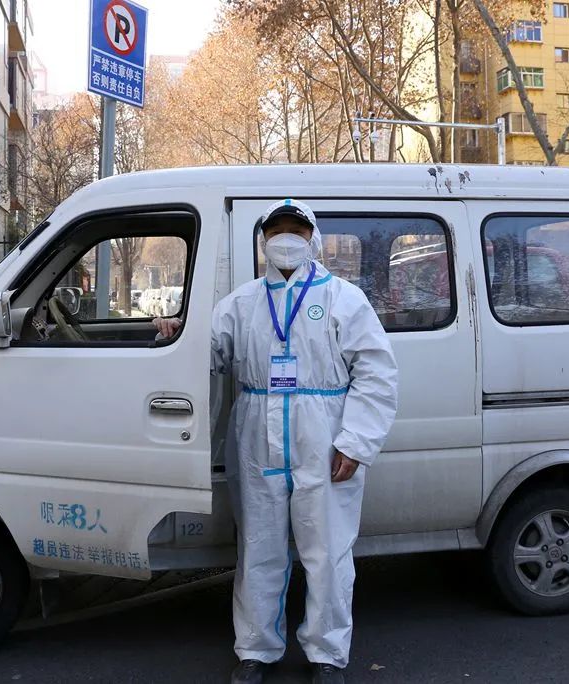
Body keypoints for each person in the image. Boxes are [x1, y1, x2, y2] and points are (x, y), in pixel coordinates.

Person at [154, 199, 398, 684]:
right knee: (259, 547)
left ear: (314, 238)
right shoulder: (241, 303)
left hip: (322, 434)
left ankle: (327, 654)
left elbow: (376, 373)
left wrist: (355, 441)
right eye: (277, 229)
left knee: (327, 551)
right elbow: (208, 353)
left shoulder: (344, 299)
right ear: (264, 240)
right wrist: (176, 334)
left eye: (296, 228)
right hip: (255, 432)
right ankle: (255, 650)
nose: (286, 237)